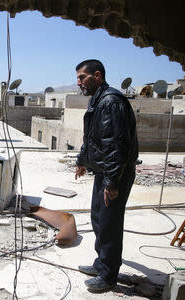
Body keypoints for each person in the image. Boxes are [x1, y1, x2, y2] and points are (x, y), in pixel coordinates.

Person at [74, 59, 138, 292]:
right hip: (104, 172)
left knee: (110, 224)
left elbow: (116, 146)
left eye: (82, 77)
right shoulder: (98, 100)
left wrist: (112, 182)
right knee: (99, 219)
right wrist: (82, 161)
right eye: (78, 77)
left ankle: (109, 276)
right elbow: (92, 137)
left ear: (97, 76)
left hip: (115, 174)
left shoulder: (110, 102)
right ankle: (101, 263)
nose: (79, 82)